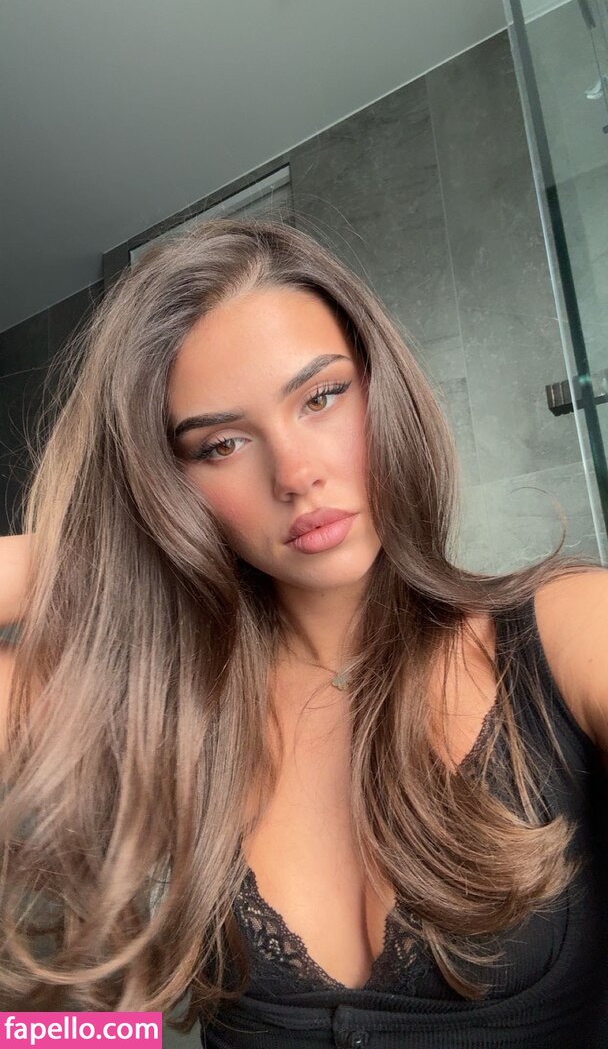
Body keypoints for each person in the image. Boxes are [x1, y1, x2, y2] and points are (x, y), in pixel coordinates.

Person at [0, 216, 607, 1048]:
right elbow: (61, 1030)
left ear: (381, 388)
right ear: (169, 487)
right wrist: (108, 550)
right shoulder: (156, 704)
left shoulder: (569, 630)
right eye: (221, 444)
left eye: (321, 397)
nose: (295, 475)